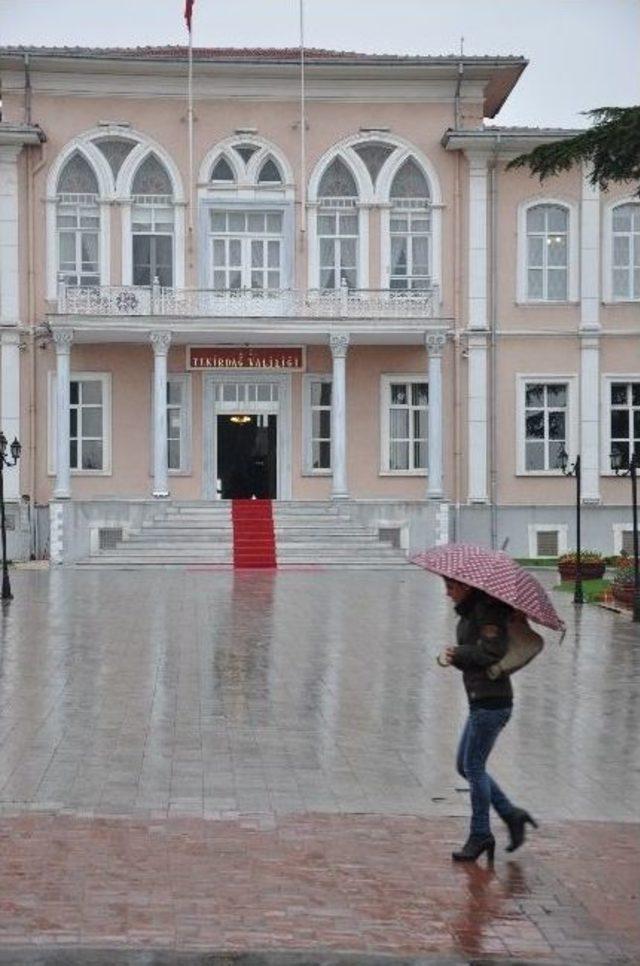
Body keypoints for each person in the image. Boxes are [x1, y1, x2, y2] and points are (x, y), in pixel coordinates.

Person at [440, 577, 538, 863]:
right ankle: (511, 814)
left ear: (466, 587)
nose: (447, 593)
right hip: (480, 700)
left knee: (473, 766)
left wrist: (457, 654)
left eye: (451, 587)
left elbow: (490, 652)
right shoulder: (473, 611)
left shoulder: (488, 611)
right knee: (465, 765)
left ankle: (481, 833)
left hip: (492, 703)